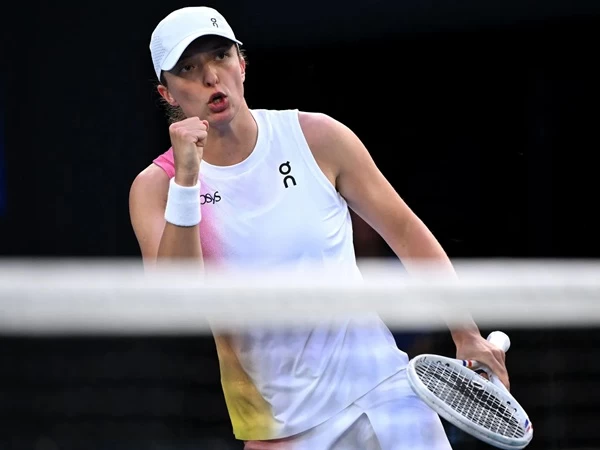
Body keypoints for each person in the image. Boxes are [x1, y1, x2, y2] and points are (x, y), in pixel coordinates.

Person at [129, 6, 510, 449]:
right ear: (168, 93)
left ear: (242, 64)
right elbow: (176, 300)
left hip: (383, 393)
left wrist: (466, 333)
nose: (212, 77)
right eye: (189, 69)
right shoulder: (156, 187)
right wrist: (187, 180)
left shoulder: (316, 138)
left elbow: (406, 233)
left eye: (221, 56)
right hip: (278, 427)